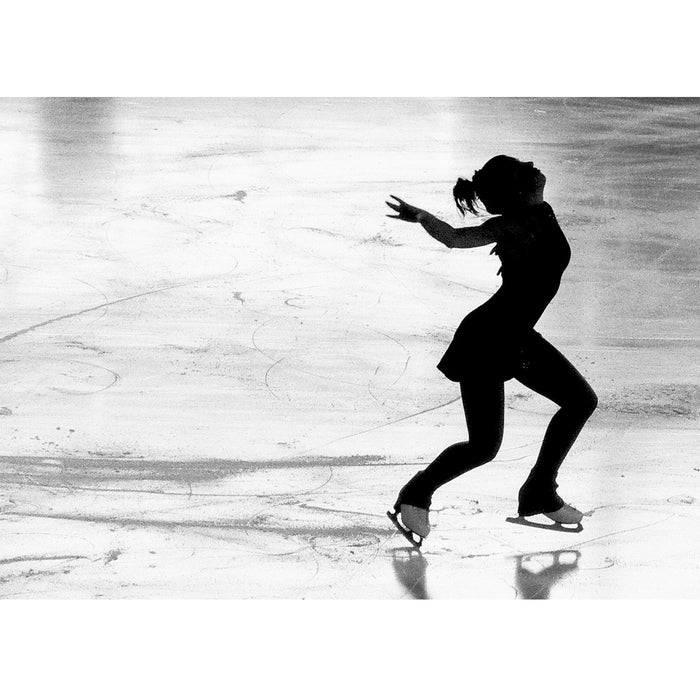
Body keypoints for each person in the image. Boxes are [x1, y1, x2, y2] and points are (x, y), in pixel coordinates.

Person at [385, 155, 598, 546]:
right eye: (523, 168)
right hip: (487, 340)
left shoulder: (538, 210)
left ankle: (539, 492)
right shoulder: (514, 225)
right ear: (519, 189)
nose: (533, 165)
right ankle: (415, 494)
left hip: (514, 336)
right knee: (484, 446)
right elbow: (455, 237)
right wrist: (422, 217)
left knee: (580, 401)